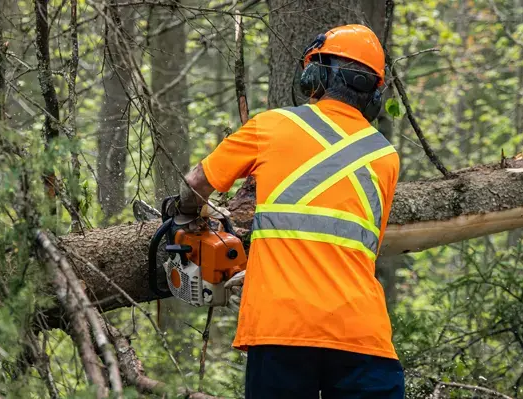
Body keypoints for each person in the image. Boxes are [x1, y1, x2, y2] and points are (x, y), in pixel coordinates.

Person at [170, 24, 403, 399]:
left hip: (282, 329)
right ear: (374, 91)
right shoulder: (385, 157)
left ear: (316, 74)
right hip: (363, 337)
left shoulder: (271, 125)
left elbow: (197, 182)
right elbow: (352, 248)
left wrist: (183, 214)